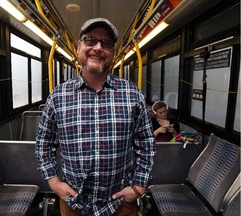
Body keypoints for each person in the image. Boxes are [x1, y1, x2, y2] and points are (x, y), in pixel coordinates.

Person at [35, 17, 156, 216]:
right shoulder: (57, 97)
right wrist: (54, 182)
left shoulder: (133, 95)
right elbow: (43, 143)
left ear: (113, 53)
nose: (98, 48)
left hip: (120, 204)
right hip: (74, 203)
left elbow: (146, 143)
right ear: (78, 47)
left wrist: (138, 187)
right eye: (90, 40)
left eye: (106, 43)